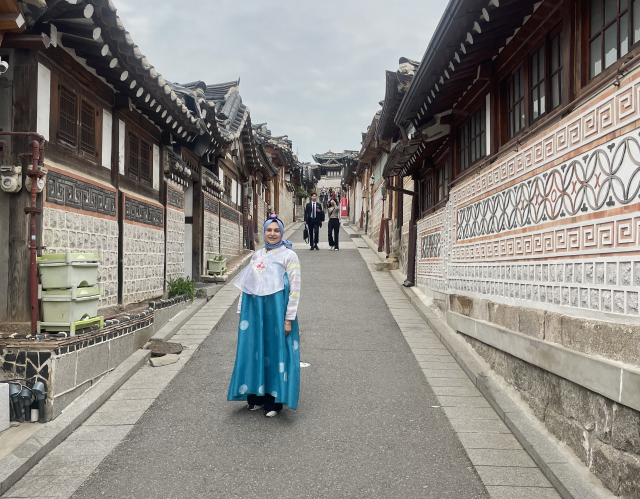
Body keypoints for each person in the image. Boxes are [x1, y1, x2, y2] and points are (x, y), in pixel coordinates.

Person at [228, 214, 301, 418]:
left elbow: (295, 288)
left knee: (275, 352)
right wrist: (242, 310)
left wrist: (289, 318)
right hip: (255, 312)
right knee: (254, 349)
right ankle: (256, 396)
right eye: (269, 230)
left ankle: (273, 401)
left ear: (281, 233)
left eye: (276, 230)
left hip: (277, 313)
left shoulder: (289, 256)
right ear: (264, 232)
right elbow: (247, 284)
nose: (272, 233)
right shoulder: (257, 255)